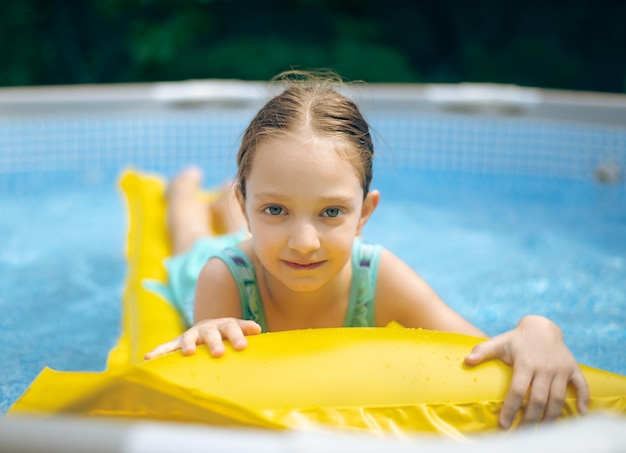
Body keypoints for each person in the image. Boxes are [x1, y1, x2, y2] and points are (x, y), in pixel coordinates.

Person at [144, 70, 589, 430]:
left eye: (331, 212)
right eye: (275, 208)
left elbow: (476, 349)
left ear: (364, 214)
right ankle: (185, 193)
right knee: (192, 240)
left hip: (259, 240)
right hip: (241, 260)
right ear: (249, 208)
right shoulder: (222, 278)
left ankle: (237, 199)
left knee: (243, 228)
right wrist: (206, 332)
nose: (304, 242)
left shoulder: (379, 276)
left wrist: (538, 329)